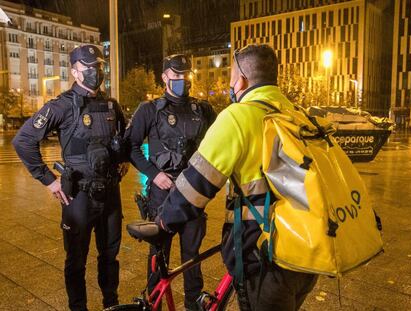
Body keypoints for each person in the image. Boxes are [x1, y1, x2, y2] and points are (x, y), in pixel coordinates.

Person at [152, 45, 318, 310]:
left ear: (240, 78)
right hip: (308, 251)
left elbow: (196, 185)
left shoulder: (238, 116)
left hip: (265, 255)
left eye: (230, 75)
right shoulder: (297, 114)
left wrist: (163, 221)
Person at [13, 45, 127, 311]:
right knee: (76, 260)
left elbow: (123, 139)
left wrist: (122, 161)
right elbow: (24, 140)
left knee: (110, 256)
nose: (95, 72)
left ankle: (111, 303)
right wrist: (48, 180)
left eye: (98, 67)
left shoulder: (111, 105)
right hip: (79, 196)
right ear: (75, 72)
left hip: (110, 194)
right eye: (88, 68)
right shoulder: (62, 106)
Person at [125, 54, 216, 310]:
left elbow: (219, 144)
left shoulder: (203, 109)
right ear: (164, 77)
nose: (182, 81)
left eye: (185, 77)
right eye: (176, 77)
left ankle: (192, 305)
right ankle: (154, 304)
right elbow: (129, 147)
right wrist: (154, 174)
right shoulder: (149, 110)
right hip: (161, 195)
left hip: (193, 193)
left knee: (192, 257)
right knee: (158, 256)